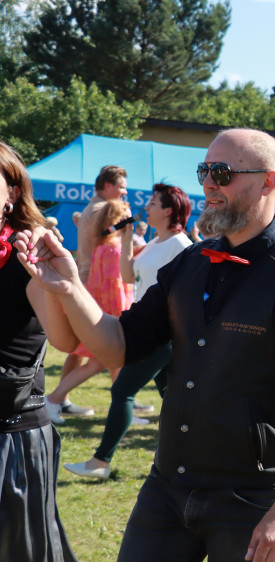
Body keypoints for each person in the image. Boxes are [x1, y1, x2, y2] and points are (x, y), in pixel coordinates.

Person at [17, 128, 275, 562]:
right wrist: (68, 286)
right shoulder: (192, 264)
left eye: (222, 174)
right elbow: (116, 343)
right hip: (168, 489)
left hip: (249, 499)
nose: (209, 186)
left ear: (269, 182)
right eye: (205, 172)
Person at [1, 139, 113, 562]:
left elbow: (65, 341)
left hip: (13, 439)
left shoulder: (25, 251)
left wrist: (50, 279)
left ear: (11, 193)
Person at [62, 184, 193, 480]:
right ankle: (199, 451)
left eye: (153, 202)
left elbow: (187, 295)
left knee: (122, 390)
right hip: (144, 326)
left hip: (161, 332)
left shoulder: (181, 246)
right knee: (173, 397)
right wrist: (124, 236)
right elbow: (127, 276)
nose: (146, 206)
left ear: (169, 210)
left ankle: (100, 462)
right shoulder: (158, 241)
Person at [43, 199, 135, 423]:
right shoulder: (114, 249)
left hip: (98, 314)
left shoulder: (102, 246)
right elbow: (115, 285)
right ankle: (53, 399)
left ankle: (123, 409)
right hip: (109, 316)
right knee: (100, 363)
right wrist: (122, 316)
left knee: (108, 363)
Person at [58, 165, 128, 420]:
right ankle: (121, 399)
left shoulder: (92, 207)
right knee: (97, 349)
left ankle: (120, 398)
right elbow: (109, 240)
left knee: (82, 349)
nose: (124, 191)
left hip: (88, 281)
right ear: (107, 186)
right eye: (121, 186)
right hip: (97, 285)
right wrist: (126, 220)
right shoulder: (103, 210)